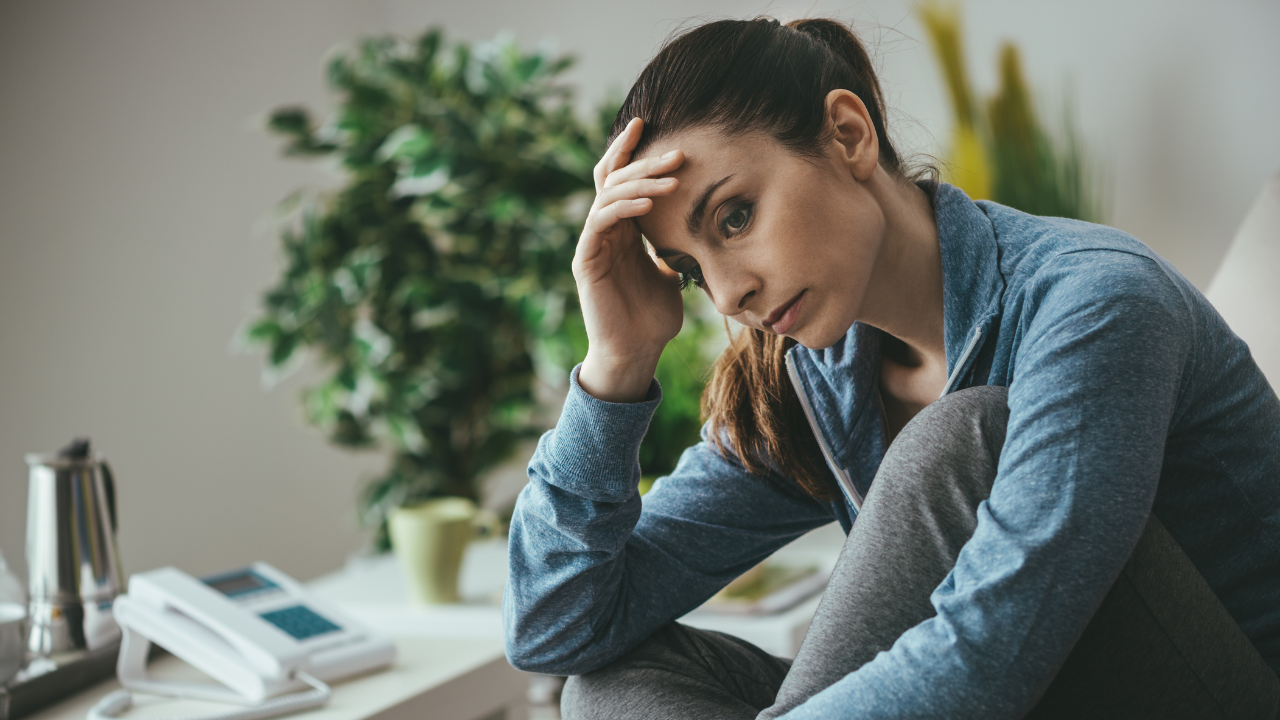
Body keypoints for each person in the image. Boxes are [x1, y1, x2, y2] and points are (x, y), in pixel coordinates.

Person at [502, 16, 1280, 719]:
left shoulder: (1095, 302)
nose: (730, 293)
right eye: (693, 269)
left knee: (959, 435)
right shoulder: (813, 379)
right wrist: (618, 362)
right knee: (610, 684)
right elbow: (558, 628)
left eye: (734, 217)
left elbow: (988, 653)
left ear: (847, 133)